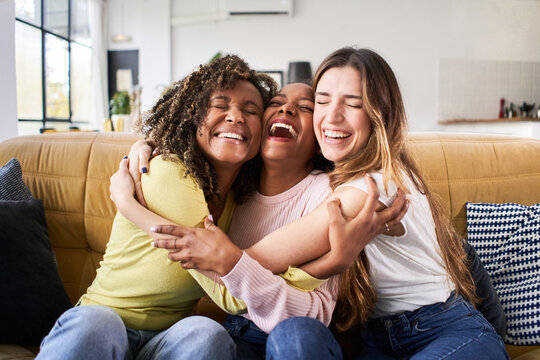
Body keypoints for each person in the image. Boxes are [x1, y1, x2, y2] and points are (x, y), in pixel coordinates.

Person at [151, 47, 509, 359]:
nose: (332, 115)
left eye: (352, 104)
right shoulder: (243, 178)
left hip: (441, 326)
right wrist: (148, 145)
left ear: (379, 114)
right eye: (322, 101)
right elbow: (196, 138)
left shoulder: (367, 187)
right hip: (374, 340)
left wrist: (221, 257)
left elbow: (253, 260)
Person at [118, 82, 408, 359]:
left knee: (295, 335)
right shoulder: (234, 188)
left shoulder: (332, 194)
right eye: (276, 104)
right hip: (236, 334)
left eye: (305, 107)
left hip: (298, 334)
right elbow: (199, 138)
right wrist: (146, 143)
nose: (286, 110)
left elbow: (315, 312)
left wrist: (130, 206)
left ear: (321, 140)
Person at [36, 55, 277, 360]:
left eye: (251, 110)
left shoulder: (241, 197)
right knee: (99, 324)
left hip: (164, 343)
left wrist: (128, 203)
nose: (236, 116)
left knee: (207, 335)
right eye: (220, 104)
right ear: (193, 116)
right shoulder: (167, 170)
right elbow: (230, 296)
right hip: (102, 329)